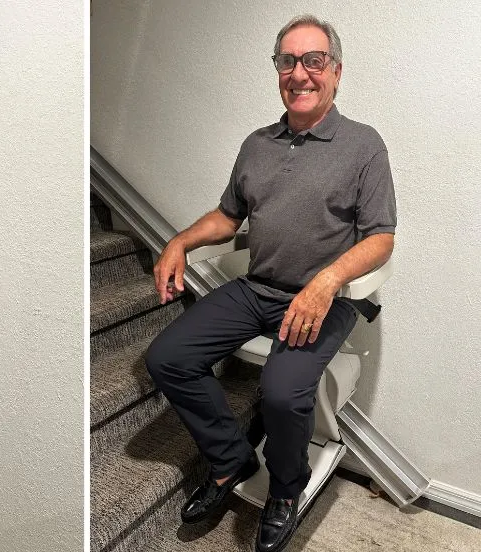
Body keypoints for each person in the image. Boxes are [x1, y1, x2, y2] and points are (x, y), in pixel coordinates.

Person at [144, 15, 396, 552]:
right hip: (257, 287)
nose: (299, 73)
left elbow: (381, 238)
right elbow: (227, 217)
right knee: (168, 357)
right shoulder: (257, 145)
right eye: (288, 61)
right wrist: (178, 242)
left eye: (314, 61)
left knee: (282, 394)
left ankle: (285, 489)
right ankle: (230, 459)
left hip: (323, 299)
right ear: (278, 70)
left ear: (336, 72)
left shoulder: (364, 146)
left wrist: (327, 279)